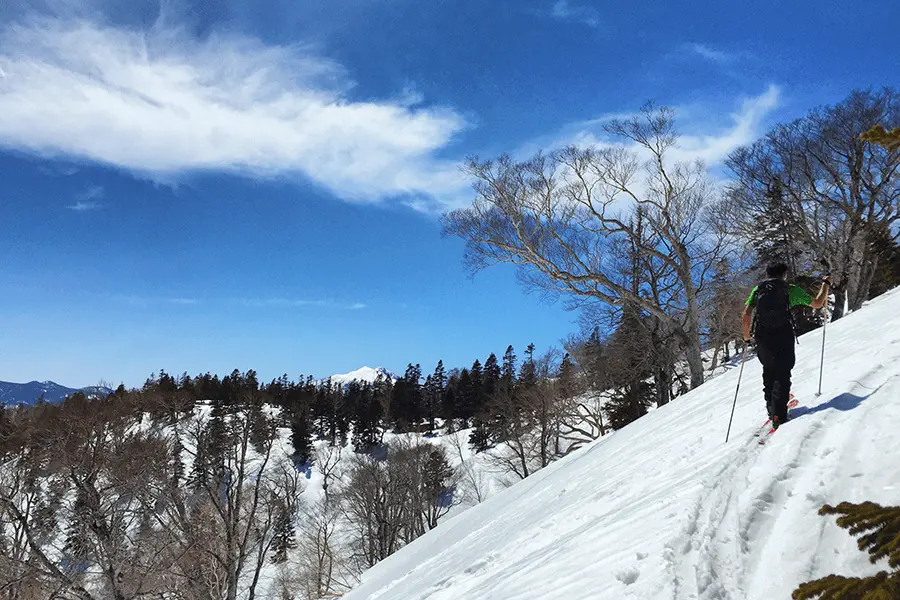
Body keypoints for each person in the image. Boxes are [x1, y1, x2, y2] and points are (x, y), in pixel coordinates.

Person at [742, 263, 831, 429]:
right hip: (783, 333)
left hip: (762, 335)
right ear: (784, 275)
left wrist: (747, 337)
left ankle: (772, 409)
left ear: (767, 274)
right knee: (783, 372)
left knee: (769, 370)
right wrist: (826, 285)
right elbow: (818, 303)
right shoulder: (790, 289)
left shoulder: (758, 290)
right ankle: (779, 415)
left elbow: (746, 315)